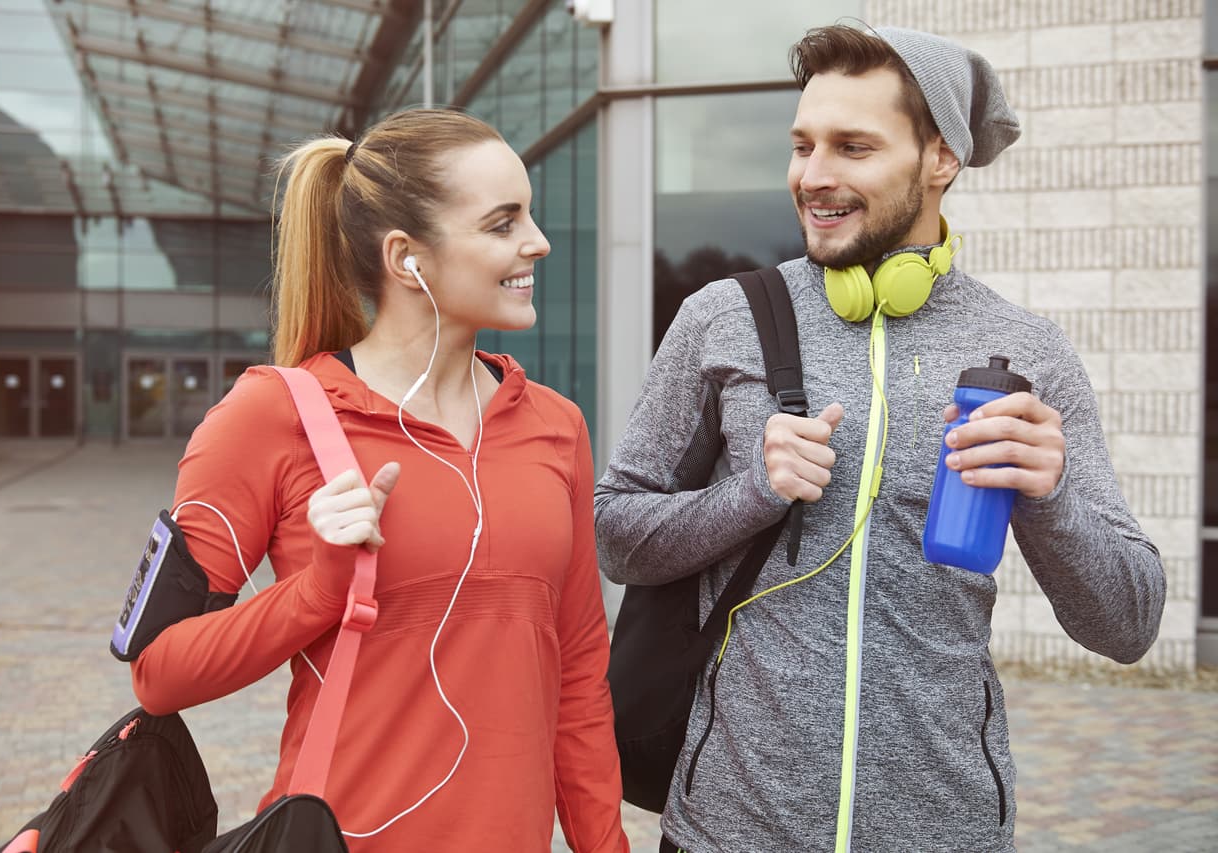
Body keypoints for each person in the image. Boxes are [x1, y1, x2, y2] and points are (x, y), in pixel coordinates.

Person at [593, 24, 1166, 853]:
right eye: (803, 145)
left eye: (853, 147)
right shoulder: (722, 317)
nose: (813, 176)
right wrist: (750, 491)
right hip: (731, 829)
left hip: (946, 830)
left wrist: (1052, 497)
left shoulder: (1031, 354)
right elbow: (617, 534)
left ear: (941, 158)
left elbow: (1130, 624)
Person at [130, 108, 629, 853]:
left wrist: (603, 845)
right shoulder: (274, 414)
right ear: (407, 259)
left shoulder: (556, 425)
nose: (538, 242)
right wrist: (317, 592)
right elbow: (159, 674)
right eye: (503, 223)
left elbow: (581, 673)